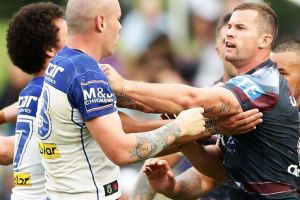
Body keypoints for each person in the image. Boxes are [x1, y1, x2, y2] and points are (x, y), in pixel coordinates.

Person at [104, 2, 300, 199]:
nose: (230, 34)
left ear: (265, 41)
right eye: (230, 27)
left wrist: (123, 86)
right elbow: (219, 171)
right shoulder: (227, 92)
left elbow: (190, 99)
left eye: (240, 28)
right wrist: (185, 135)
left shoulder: (263, 83)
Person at [35, 0, 206, 199]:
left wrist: (193, 127)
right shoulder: (86, 74)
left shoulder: (63, 61)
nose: (120, 26)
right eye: (117, 19)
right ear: (101, 22)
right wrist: (180, 128)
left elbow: (120, 124)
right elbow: (121, 151)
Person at [1, 2, 67, 199]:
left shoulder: (31, 92)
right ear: (50, 50)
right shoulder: (55, 91)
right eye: (68, 36)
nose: (75, 42)